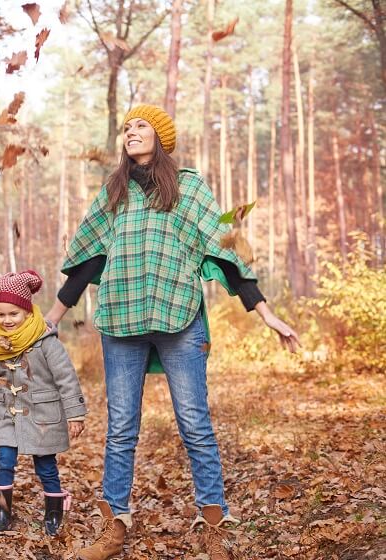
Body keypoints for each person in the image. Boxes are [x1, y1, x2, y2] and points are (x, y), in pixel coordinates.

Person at [43, 104, 300, 560]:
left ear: (160, 135)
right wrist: (52, 318)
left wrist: (264, 312)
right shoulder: (114, 193)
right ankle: (114, 525)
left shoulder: (188, 186)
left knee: (195, 423)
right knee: (121, 427)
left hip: (179, 316)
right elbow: (89, 260)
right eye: (126, 127)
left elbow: (223, 253)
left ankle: (214, 521)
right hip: (121, 320)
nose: (130, 132)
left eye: (140, 125)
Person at [0, 270, 88, 537]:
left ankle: (53, 512)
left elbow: (66, 378)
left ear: (27, 312)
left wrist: (75, 414)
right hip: (8, 413)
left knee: (45, 464)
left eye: (13, 314)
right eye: (0, 314)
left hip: (42, 414)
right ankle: (2, 513)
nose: (6, 320)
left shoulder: (46, 341)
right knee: (3, 461)